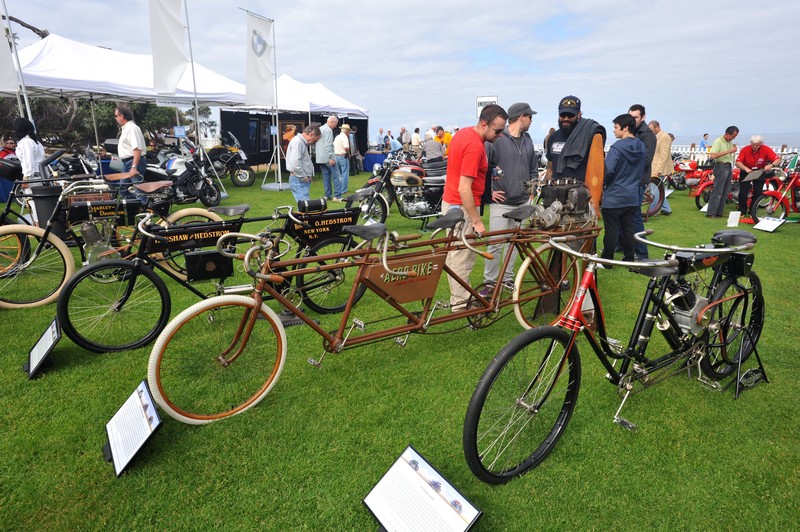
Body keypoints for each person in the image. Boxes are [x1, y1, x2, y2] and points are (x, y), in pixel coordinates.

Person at [442, 103, 508, 311]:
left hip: (451, 203)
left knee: (454, 254)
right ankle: (461, 305)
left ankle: (459, 299)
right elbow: (464, 188)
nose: (500, 135)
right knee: (462, 256)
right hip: (462, 207)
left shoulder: (462, 134)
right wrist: (476, 221)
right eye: (497, 130)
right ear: (484, 124)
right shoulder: (475, 147)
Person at [481, 102, 537, 295]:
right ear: (522, 117)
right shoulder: (496, 139)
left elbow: (533, 168)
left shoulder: (528, 140)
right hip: (501, 203)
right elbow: (483, 168)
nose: (531, 121)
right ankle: (489, 282)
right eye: (530, 117)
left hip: (523, 202)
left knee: (514, 244)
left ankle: (507, 279)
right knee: (495, 244)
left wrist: (532, 188)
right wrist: (489, 192)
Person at [601, 114, 646, 265]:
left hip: (614, 195)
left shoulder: (617, 148)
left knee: (611, 230)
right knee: (629, 229)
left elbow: (608, 170)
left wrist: (602, 183)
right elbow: (643, 168)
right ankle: (629, 258)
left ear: (625, 128)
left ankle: (607, 260)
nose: (614, 130)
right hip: (632, 194)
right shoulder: (641, 146)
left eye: (616, 127)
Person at [544, 95, 605, 182]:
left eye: (570, 115)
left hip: (580, 187)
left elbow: (597, 166)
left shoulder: (589, 136)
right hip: (556, 187)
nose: (566, 119)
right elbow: (550, 168)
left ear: (579, 114)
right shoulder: (553, 137)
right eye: (562, 115)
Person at [627, 104, 656, 259]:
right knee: (622, 213)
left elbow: (646, 161)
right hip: (627, 179)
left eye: (635, 117)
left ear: (643, 117)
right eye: (630, 117)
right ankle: (621, 245)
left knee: (635, 215)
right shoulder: (630, 131)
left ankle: (642, 252)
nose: (632, 120)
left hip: (638, 180)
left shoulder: (648, 135)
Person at [735, 135, 780, 218]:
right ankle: (742, 211)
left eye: (757, 145)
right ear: (750, 143)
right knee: (743, 192)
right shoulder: (745, 149)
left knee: (758, 192)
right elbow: (738, 162)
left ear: (761, 144)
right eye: (753, 145)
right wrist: (745, 168)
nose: (755, 147)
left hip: (760, 171)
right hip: (746, 171)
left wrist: (771, 165)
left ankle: (752, 211)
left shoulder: (766, 149)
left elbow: (777, 160)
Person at [706, 126, 740, 218]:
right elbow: (713, 155)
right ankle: (711, 213)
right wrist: (729, 151)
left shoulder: (729, 142)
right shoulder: (718, 141)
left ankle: (719, 212)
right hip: (721, 166)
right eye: (733, 136)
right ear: (727, 134)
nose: (733, 138)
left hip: (728, 166)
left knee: (725, 191)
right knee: (718, 191)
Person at [114, 105, 147, 198]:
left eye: (116, 116)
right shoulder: (126, 128)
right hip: (128, 163)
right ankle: (136, 206)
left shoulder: (132, 128)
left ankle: (145, 205)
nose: (115, 118)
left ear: (121, 116)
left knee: (138, 189)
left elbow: (137, 149)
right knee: (124, 189)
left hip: (133, 162)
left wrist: (134, 167)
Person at [286, 125, 321, 202]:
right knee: (305, 205)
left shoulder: (300, 142)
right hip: (299, 179)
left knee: (304, 205)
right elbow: (295, 163)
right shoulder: (298, 142)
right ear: (311, 134)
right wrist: (304, 177)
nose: (314, 143)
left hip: (299, 178)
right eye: (315, 141)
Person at [648, 120, 674, 215]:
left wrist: (657, 170)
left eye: (651, 129)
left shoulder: (664, 137)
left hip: (660, 169)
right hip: (654, 167)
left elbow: (664, 156)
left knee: (654, 190)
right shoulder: (656, 137)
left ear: (657, 127)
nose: (650, 131)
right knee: (658, 189)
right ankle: (667, 209)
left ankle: (652, 211)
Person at [315, 116, 340, 201]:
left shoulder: (320, 129)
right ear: (332, 122)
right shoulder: (328, 130)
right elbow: (328, 145)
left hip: (320, 158)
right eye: (335, 124)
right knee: (336, 177)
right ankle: (337, 196)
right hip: (328, 158)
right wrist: (331, 157)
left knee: (326, 178)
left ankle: (327, 195)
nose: (335, 126)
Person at [14, 117, 45, 183]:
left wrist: (26, 177)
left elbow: (28, 160)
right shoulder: (35, 141)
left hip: (33, 176)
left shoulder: (25, 142)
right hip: (40, 173)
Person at [333, 124, 351, 199]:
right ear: (346, 131)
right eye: (348, 131)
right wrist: (348, 154)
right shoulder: (345, 137)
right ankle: (344, 190)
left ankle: (339, 189)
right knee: (345, 174)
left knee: (339, 174)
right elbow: (346, 147)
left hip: (336, 156)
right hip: (343, 156)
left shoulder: (337, 137)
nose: (349, 133)